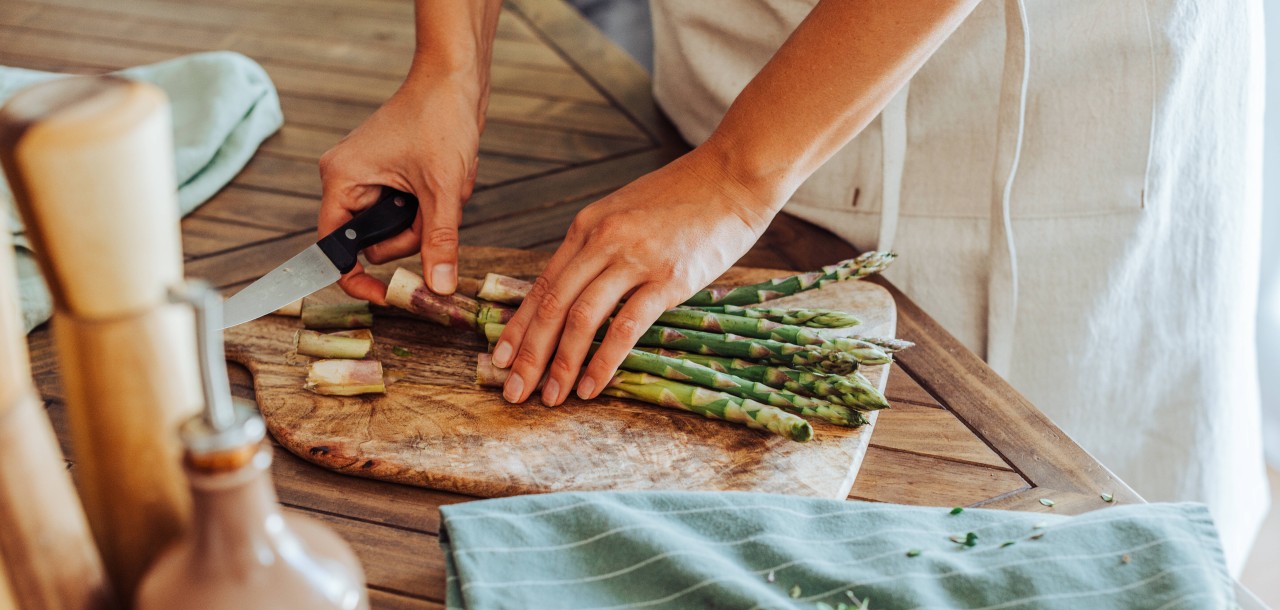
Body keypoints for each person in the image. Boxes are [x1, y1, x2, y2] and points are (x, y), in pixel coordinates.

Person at [318, 0, 1268, 573]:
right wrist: (450, 64)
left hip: (1046, 119)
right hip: (720, 88)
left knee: (1086, 569)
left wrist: (737, 175)